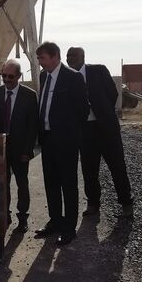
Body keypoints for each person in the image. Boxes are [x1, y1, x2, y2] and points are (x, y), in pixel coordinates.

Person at [66, 47, 133, 218]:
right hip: (85, 130)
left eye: (73, 55)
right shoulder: (67, 77)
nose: (70, 58)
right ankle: (93, 203)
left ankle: (126, 203)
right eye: (68, 56)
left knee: (117, 166)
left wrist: (102, 111)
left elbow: (112, 93)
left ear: (83, 57)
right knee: (89, 169)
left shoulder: (98, 70)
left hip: (106, 128)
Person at [34, 42, 89, 246]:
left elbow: (83, 109)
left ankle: (69, 228)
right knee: (51, 183)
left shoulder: (72, 78)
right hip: (47, 139)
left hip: (66, 141)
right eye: (39, 59)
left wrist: (70, 133)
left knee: (68, 183)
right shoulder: (43, 76)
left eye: (43, 58)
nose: (40, 63)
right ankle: (55, 222)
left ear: (55, 56)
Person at [0, 59, 38, 233]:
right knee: (3, 184)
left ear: (18, 76)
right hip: (0, 148)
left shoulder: (29, 95)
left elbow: (33, 126)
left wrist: (28, 150)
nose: (7, 79)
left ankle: (22, 217)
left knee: (22, 183)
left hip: (20, 149)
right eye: (4, 76)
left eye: (11, 76)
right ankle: (5, 215)